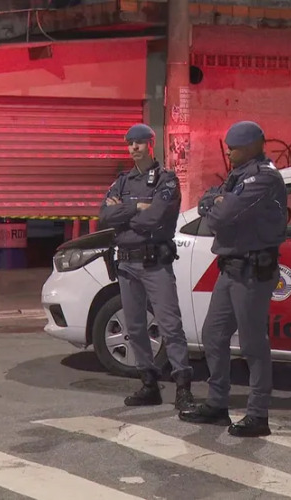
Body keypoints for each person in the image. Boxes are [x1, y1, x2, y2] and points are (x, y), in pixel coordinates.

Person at [178, 121, 288, 437]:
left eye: (235, 147)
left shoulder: (264, 178)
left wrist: (216, 205)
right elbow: (209, 202)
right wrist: (216, 203)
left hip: (253, 271)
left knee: (253, 345)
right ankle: (216, 404)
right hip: (231, 269)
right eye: (228, 147)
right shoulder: (239, 175)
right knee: (213, 334)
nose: (229, 152)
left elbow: (220, 216)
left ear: (254, 145)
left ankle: (258, 415)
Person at [98, 123, 194, 410]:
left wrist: (123, 214)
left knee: (170, 325)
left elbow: (156, 219)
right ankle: (149, 384)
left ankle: (183, 387)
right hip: (126, 264)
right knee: (136, 326)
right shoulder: (122, 182)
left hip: (154, 263)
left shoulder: (166, 180)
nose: (134, 148)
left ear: (151, 144)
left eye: (139, 143)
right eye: (130, 144)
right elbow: (104, 216)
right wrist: (137, 207)